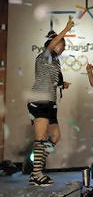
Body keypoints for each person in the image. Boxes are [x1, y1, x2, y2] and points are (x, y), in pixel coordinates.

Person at [26, 19, 73, 186]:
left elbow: (51, 79)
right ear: (54, 44)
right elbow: (53, 44)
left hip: (50, 103)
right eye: (63, 45)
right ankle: (36, 174)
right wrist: (66, 29)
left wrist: (62, 84)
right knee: (40, 138)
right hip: (39, 100)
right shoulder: (45, 55)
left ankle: (36, 170)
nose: (64, 48)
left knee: (55, 136)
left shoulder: (55, 61)